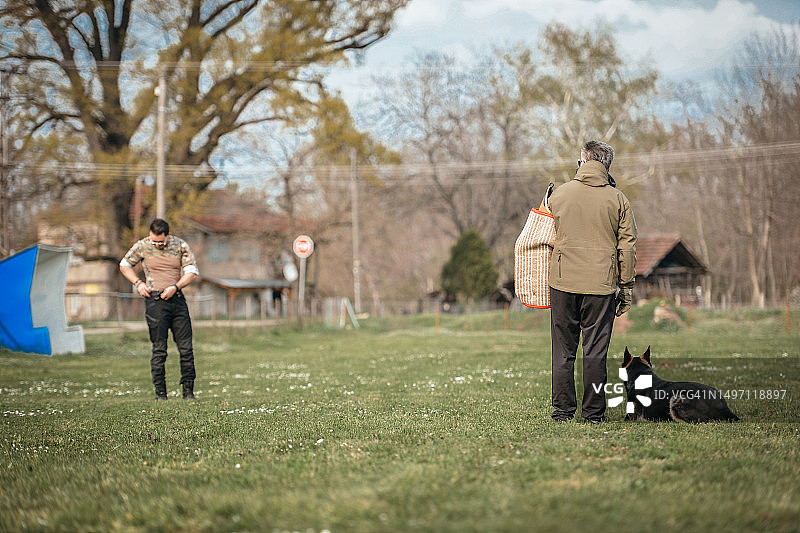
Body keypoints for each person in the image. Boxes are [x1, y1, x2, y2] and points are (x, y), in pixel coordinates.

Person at [547, 140, 637, 423]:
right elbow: (628, 247)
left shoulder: (558, 194)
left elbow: (542, 235)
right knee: (595, 352)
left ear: (583, 161)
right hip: (601, 286)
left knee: (563, 350)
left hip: (562, 282)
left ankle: (562, 411)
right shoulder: (618, 199)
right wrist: (627, 287)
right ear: (606, 165)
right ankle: (593, 414)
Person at [119, 219, 200, 400]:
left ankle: (188, 392)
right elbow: (124, 265)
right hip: (154, 301)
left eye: (161, 242)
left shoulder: (180, 245)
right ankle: (160, 394)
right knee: (159, 349)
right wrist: (138, 283)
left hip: (176, 299)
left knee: (186, 349)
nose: (157, 245)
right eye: (154, 241)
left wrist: (175, 287)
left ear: (168, 236)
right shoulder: (143, 246)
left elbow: (192, 271)